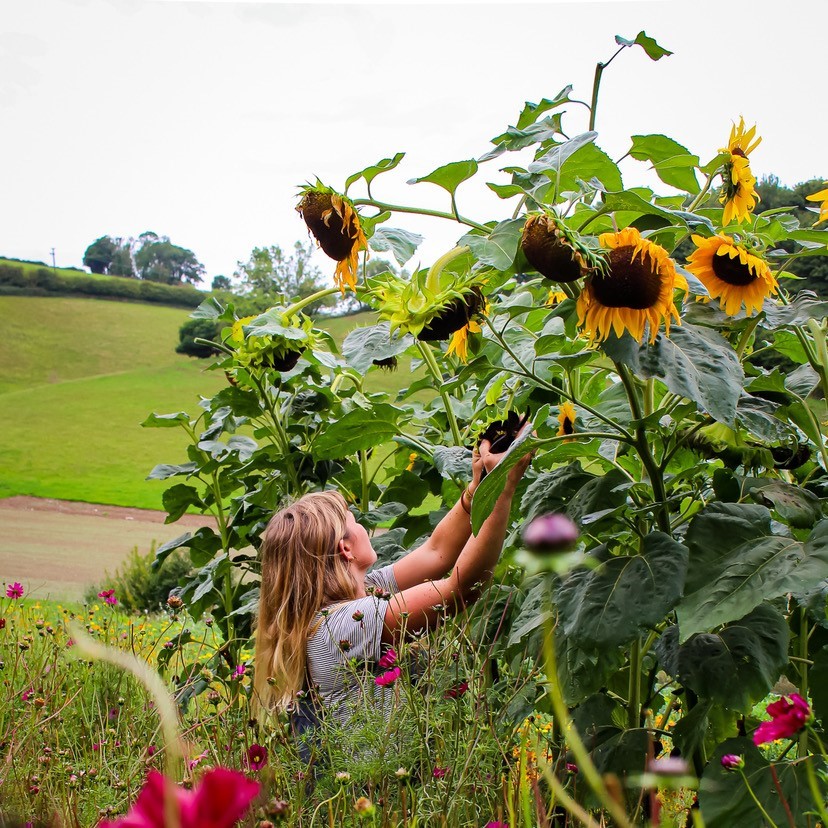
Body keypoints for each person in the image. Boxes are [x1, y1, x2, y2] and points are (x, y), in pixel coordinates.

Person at [252, 435, 532, 737]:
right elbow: (461, 588)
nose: (362, 525)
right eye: (354, 520)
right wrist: (503, 487)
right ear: (346, 549)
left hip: (374, 779)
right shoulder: (341, 627)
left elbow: (436, 553)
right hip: (370, 783)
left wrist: (477, 490)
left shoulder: (362, 592)